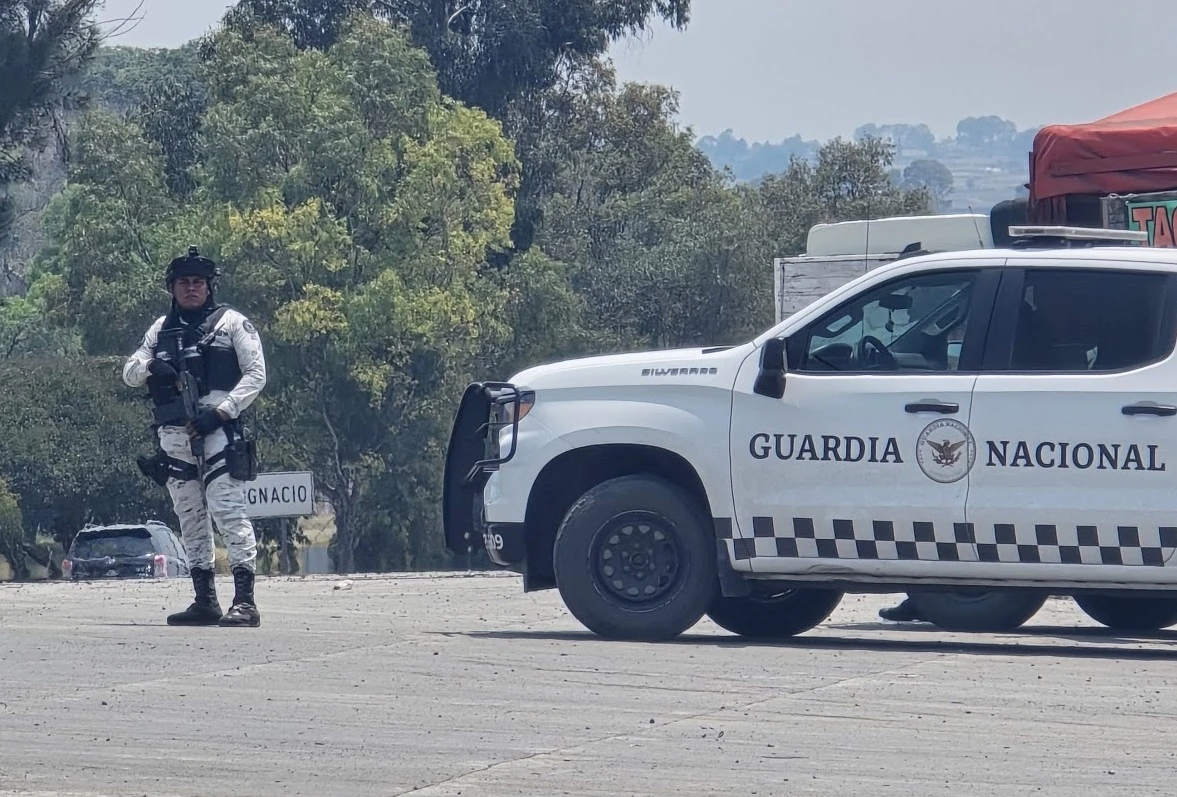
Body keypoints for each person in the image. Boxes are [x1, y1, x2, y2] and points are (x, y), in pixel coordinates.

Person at [122, 246, 266, 628]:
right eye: (184, 282)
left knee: (227, 509)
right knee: (189, 515)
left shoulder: (232, 322)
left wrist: (220, 412)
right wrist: (153, 365)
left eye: (198, 282)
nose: (191, 288)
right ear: (172, 287)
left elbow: (256, 374)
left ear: (209, 286)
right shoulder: (160, 329)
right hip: (174, 433)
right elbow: (130, 372)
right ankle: (205, 600)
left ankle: (245, 601)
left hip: (219, 428)